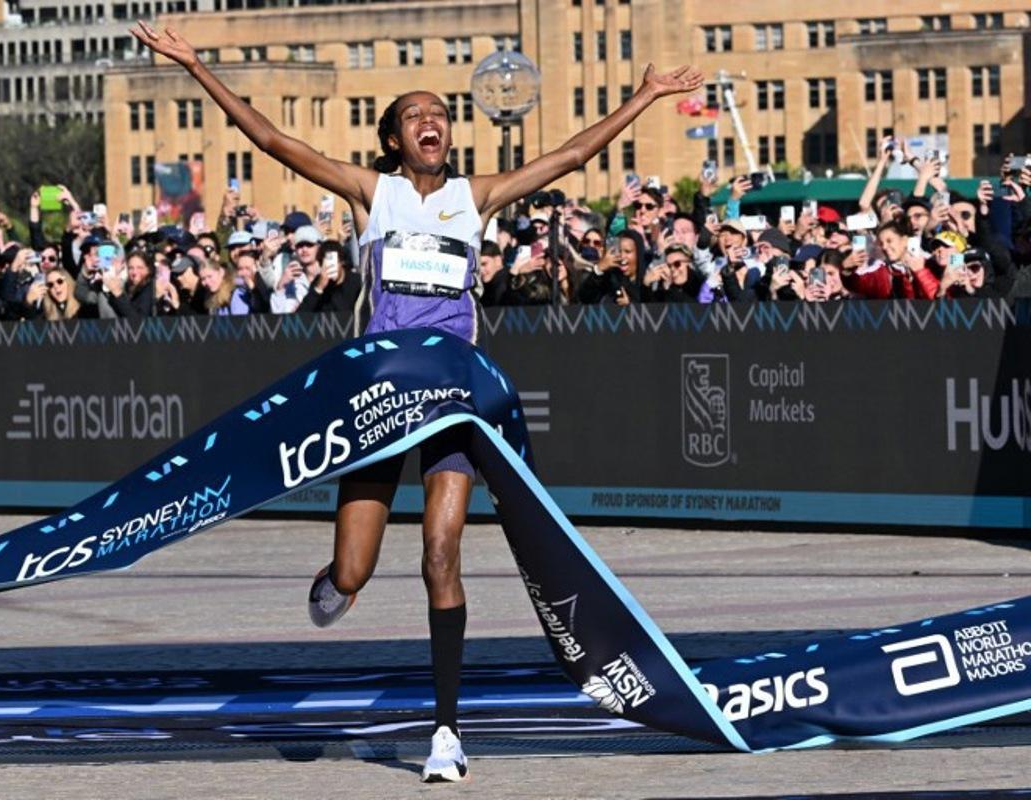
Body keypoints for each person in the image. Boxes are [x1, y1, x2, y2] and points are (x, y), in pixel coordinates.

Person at [133, 19, 700, 783]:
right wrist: (196, 64)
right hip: (378, 401)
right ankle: (335, 581)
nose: (430, 122)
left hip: (454, 402)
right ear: (394, 140)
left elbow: (570, 156)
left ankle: (445, 732)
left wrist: (642, 98)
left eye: (439, 114)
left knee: (442, 554)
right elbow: (271, 142)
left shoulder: (477, 197)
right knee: (355, 571)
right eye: (414, 116)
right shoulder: (375, 194)